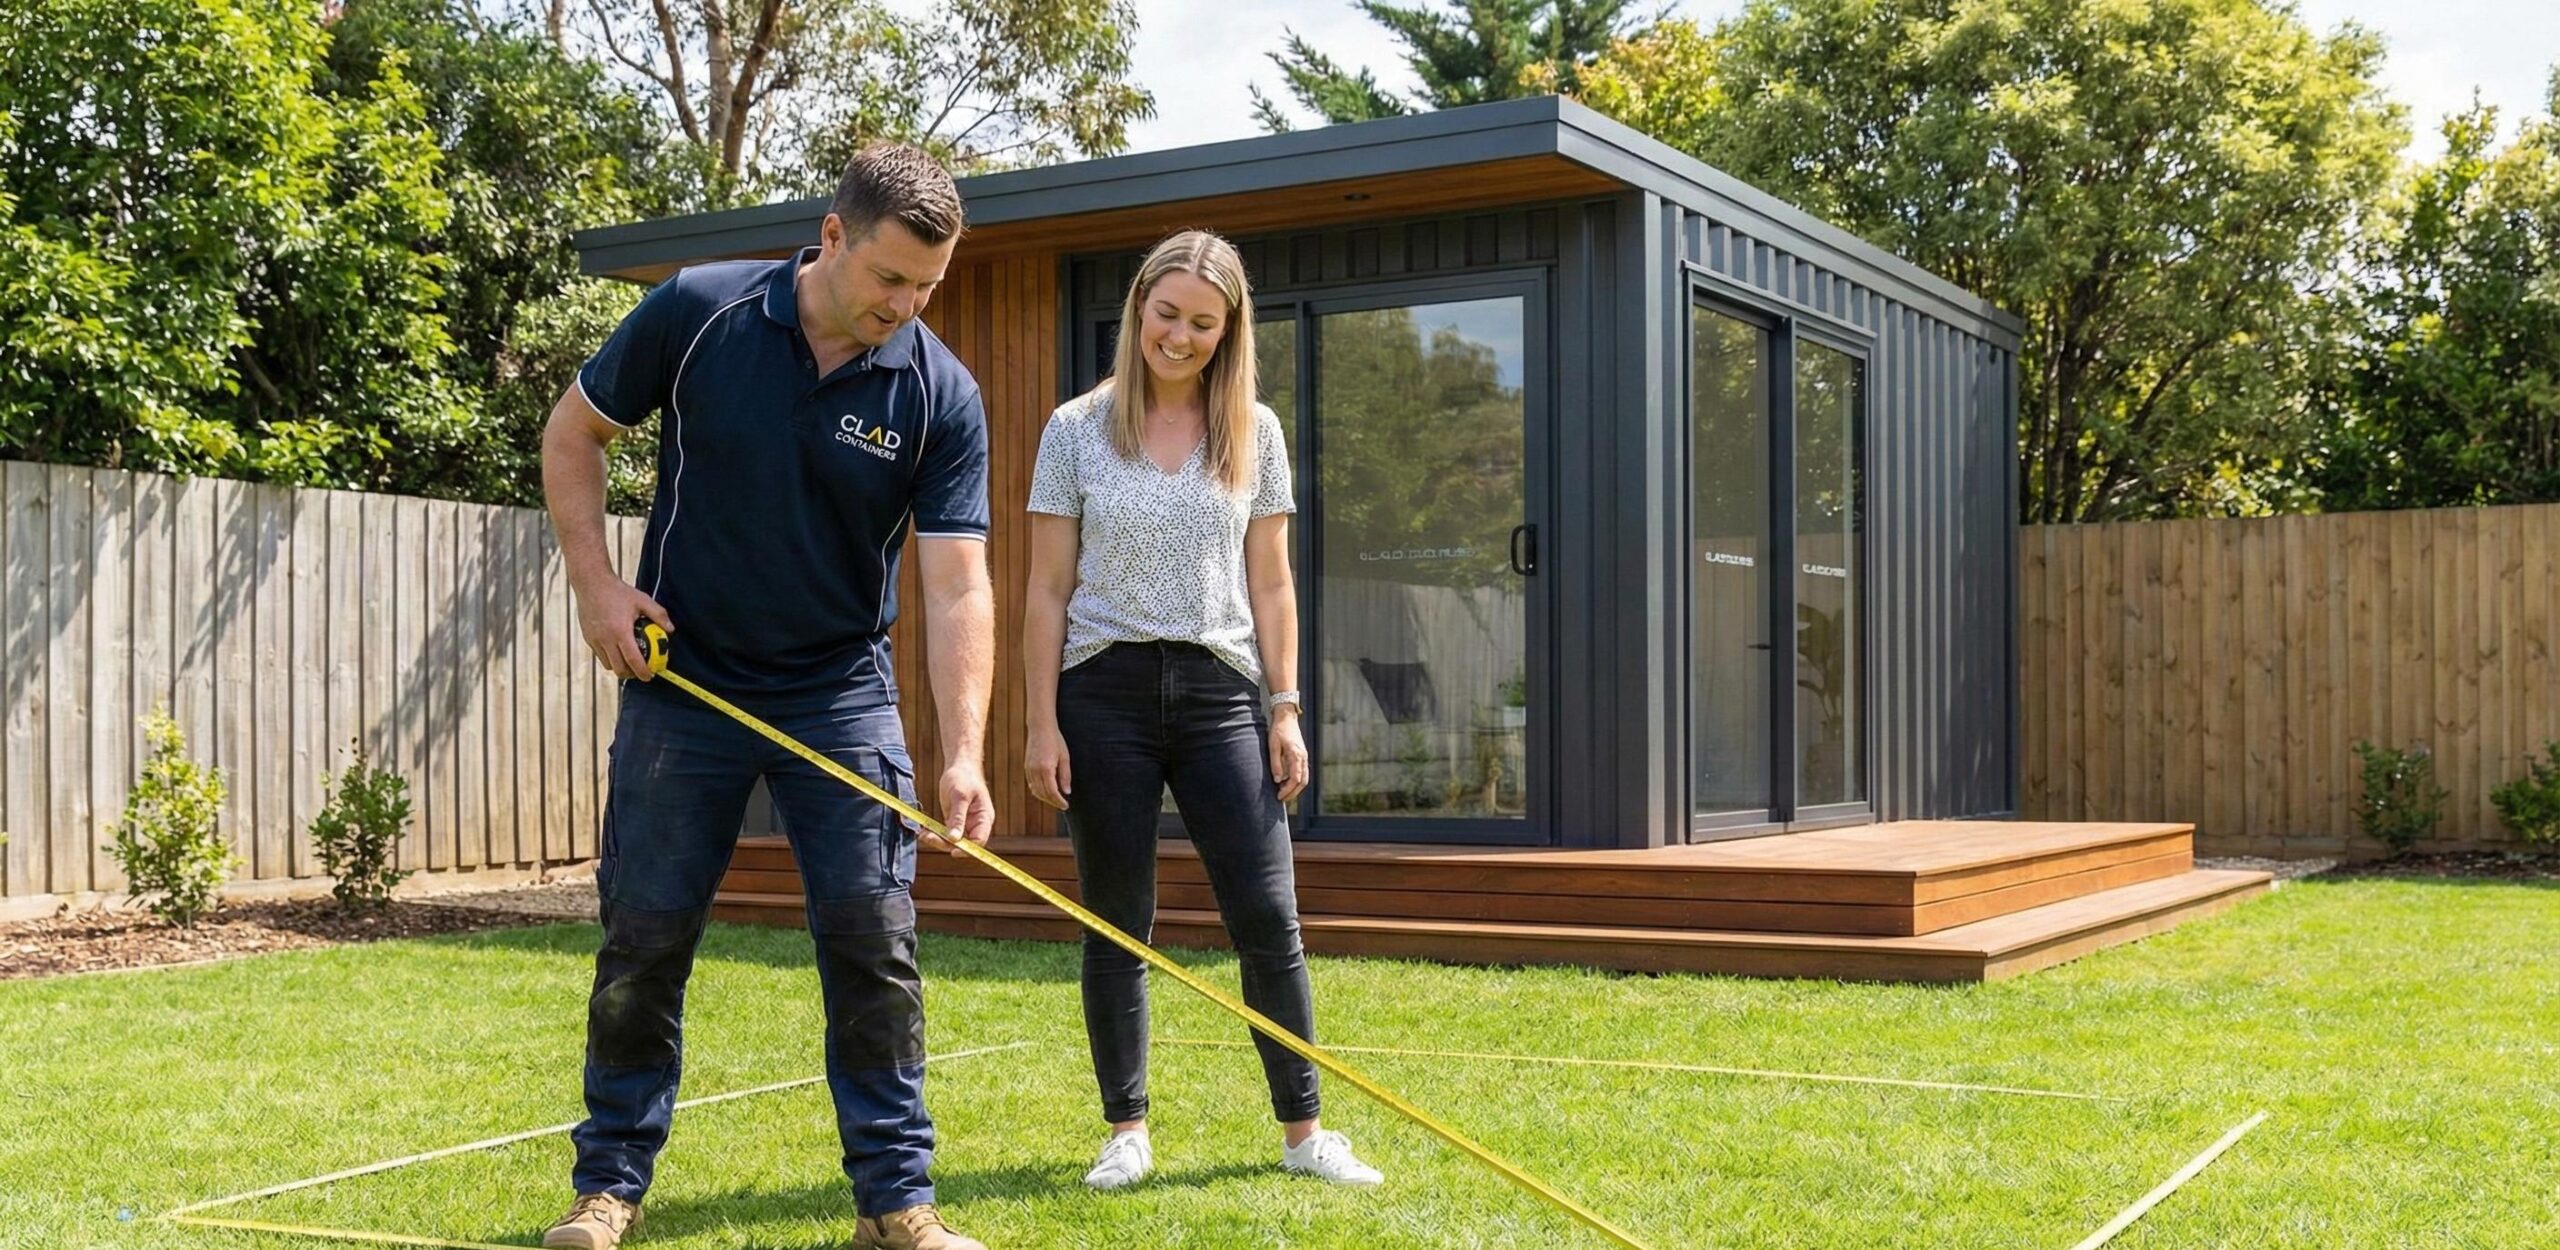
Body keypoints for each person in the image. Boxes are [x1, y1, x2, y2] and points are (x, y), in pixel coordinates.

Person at [537, 143, 998, 1250]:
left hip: (839, 692)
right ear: (833, 235)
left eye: (928, 287)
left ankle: (896, 1204)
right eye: (890, 277)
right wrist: (598, 586)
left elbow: (957, 585)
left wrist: (964, 750)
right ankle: (607, 1189)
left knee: (874, 939)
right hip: (684, 685)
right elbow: (573, 431)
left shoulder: (938, 392)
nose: (906, 305)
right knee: (644, 937)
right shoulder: (701, 311)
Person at [1021, 229, 1385, 1193]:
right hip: (1100, 692)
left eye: (1203, 323)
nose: (1180, 336)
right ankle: (1126, 1131)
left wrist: (1286, 707)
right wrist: (1040, 723)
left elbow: (1272, 583)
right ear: (1139, 307)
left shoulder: (1253, 432)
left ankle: (1305, 1134)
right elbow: (1046, 590)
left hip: (1222, 692)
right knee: (1117, 919)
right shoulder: (1073, 429)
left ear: (1230, 331)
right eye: (1167, 313)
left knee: (1267, 913)